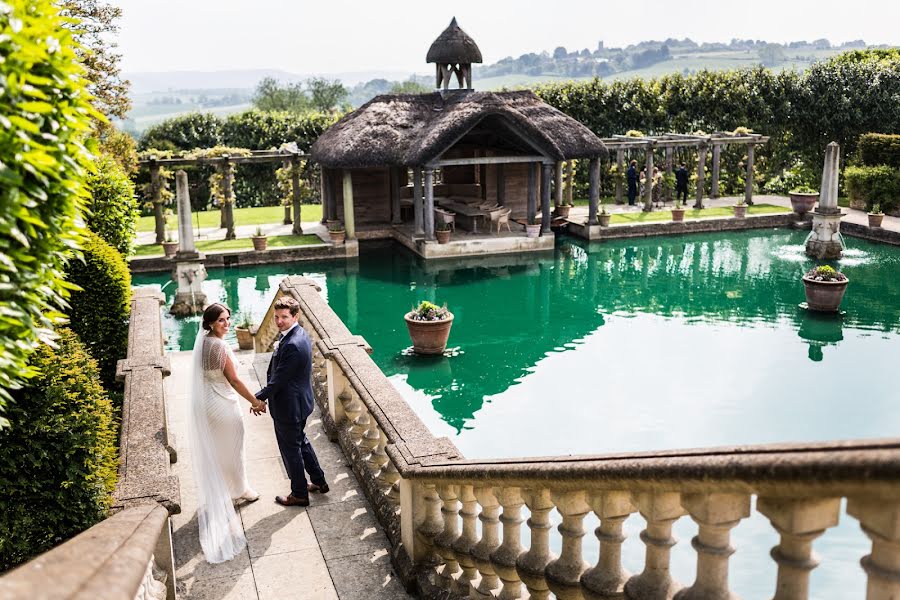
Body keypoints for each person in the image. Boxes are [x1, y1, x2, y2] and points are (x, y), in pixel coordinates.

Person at [189, 303, 267, 564]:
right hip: (223, 404)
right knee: (234, 447)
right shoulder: (220, 346)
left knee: (219, 449)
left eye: (228, 319)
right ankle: (239, 489)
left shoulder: (202, 343)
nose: (227, 323)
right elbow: (234, 380)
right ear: (210, 323)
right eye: (221, 320)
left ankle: (225, 488)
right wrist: (255, 401)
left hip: (208, 403)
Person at [255, 296, 328, 507]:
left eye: (284, 317)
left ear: (296, 316)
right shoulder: (299, 334)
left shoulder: (293, 344)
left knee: (291, 450)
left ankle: (299, 494)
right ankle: (319, 481)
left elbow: (278, 381)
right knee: (300, 442)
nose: (278, 321)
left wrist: (257, 398)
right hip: (299, 403)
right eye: (277, 317)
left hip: (289, 406)